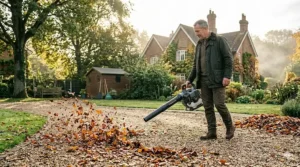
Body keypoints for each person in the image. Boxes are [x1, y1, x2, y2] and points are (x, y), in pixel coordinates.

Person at [185, 19, 235, 140]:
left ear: (205, 28)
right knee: (207, 106)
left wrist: (227, 76)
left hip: (217, 79)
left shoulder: (219, 40)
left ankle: (230, 127)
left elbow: (228, 59)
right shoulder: (199, 44)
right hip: (203, 80)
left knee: (219, 104)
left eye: (197, 31)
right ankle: (212, 132)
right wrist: (190, 79)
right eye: (195, 31)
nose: (196, 34)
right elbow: (195, 65)